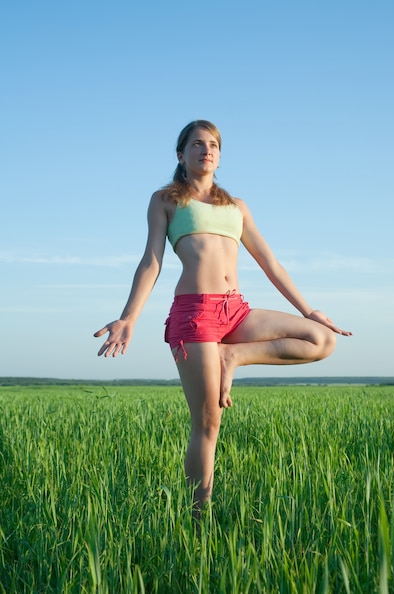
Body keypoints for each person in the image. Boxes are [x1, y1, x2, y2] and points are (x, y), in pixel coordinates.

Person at [94, 119, 352, 512]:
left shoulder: (237, 207)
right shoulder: (166, 200)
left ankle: (234, 356)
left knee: (321, 339)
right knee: (208, 424)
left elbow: (271, 264)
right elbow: (151, 261)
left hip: (236, 310)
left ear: (219, 155)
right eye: (197, 144)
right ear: (181, 155)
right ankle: (199, 518)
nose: (207, 150)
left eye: (213, 144)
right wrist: (128, 317)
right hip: (194, 315)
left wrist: (309, 310)